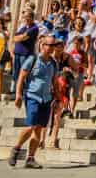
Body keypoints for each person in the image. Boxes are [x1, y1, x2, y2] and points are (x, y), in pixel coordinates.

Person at [8, 34, 62, 169]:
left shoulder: (54, 63)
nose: (51, 48)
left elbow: (54, 81)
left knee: (38, 129)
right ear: (42, 45)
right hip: (32, 96)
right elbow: (21, 77)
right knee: (31, 125)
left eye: (53, 45)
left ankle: (30, 158)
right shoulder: (32, 59)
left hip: (46, 98)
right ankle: (16, 148)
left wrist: (58, 97)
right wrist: (18, 95)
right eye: (49, 45)